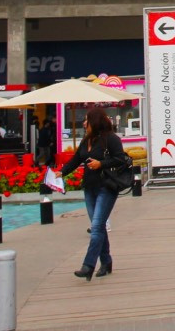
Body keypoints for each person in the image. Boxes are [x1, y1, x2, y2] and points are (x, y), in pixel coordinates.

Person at [57, 108, 125, 280]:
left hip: (106, 187)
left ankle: (88, 265)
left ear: (95, 121)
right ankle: (106, 261)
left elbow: (120, 159)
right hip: (90, 187)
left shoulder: (111, 139)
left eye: (87, 119)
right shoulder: (86, 140)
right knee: (99, 226)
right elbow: (76, 160)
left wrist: (101, 164)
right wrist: (61, 172)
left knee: (96, 227)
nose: (84, 122)